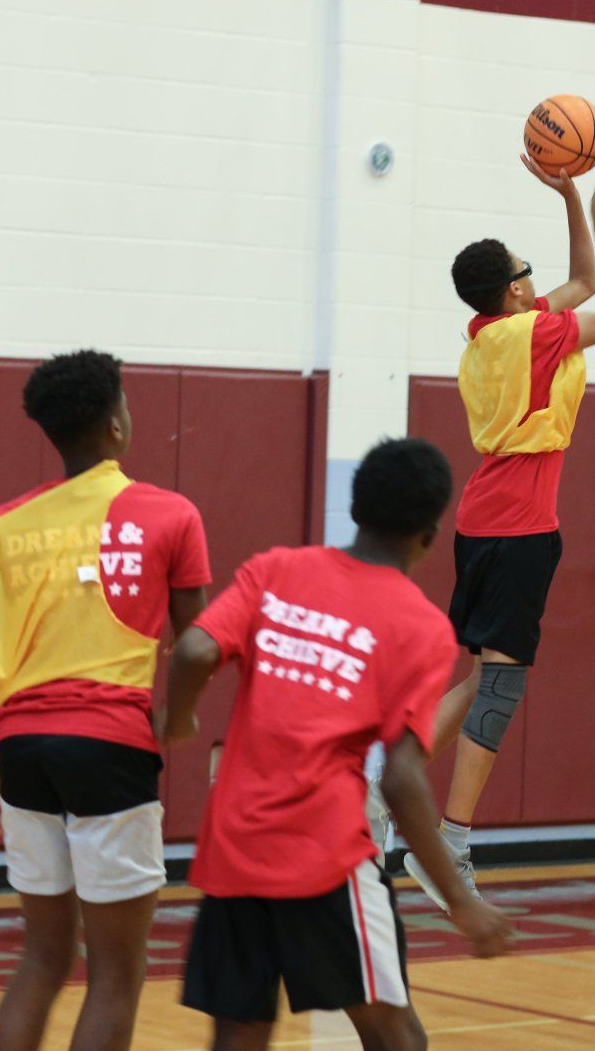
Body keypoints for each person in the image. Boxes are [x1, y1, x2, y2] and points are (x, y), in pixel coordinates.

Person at [165, 438, 514, 1050]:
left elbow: (194, 648)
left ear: (355, 509)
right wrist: (461, 901)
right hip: (322, 857)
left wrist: (177, 719)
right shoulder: (420, 626)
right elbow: (401, 777)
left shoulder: (277, 569)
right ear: (431, 534)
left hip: (235, 846)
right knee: (396, 1036)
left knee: (239, 1033)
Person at [0, 350, 211, 1051]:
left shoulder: (4, 524)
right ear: (116, 424)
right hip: (110, 747)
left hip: (22, 751)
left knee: (42, 958)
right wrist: (178, 717)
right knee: (116, 974)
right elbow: (196, 645)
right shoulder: (170, 514)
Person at [398, 152, 595, 908]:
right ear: (518, 289)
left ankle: (377, 789)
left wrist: (575, 201)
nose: (538, 279)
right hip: (519, 524)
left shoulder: (493, 335)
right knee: (502, 683)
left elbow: (583, 284)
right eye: (528, 271)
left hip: (485, 519)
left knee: (479, 678)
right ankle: (449, 844)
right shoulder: (532, 335)